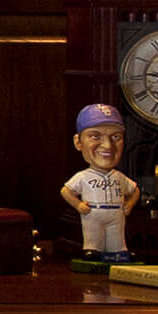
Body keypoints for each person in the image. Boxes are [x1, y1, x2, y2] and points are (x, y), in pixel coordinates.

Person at [63, 102, 139, 261]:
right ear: (78, 142)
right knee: (93, 236)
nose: (107, 145)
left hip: (116, 213)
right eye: (95, 136)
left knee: (117, 238)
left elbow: (135, 190)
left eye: (116, 137)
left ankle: (118, 252)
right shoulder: (83, 176)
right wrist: (78, 205)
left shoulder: (118, 176)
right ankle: (93, 251)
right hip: (93, 213)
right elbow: (66, 191)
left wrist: (130, 203)